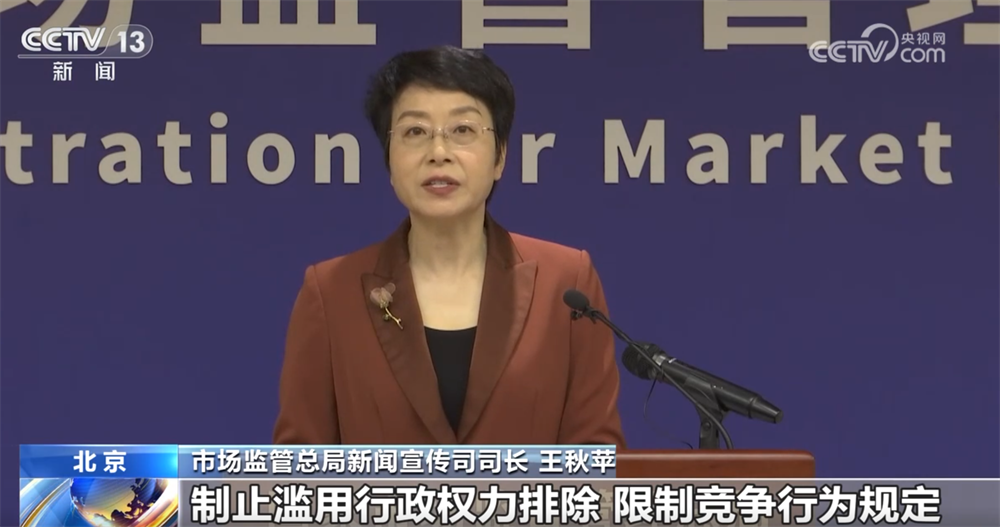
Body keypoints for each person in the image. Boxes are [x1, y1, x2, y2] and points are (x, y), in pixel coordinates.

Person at [273, 46, 626, 447]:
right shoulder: (331, 292)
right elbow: (299, 466)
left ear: (500, 156)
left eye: (462, 130)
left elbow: (597, 457)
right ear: (389, 161)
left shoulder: (565, 284)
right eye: (415, 132)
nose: (438, 153)